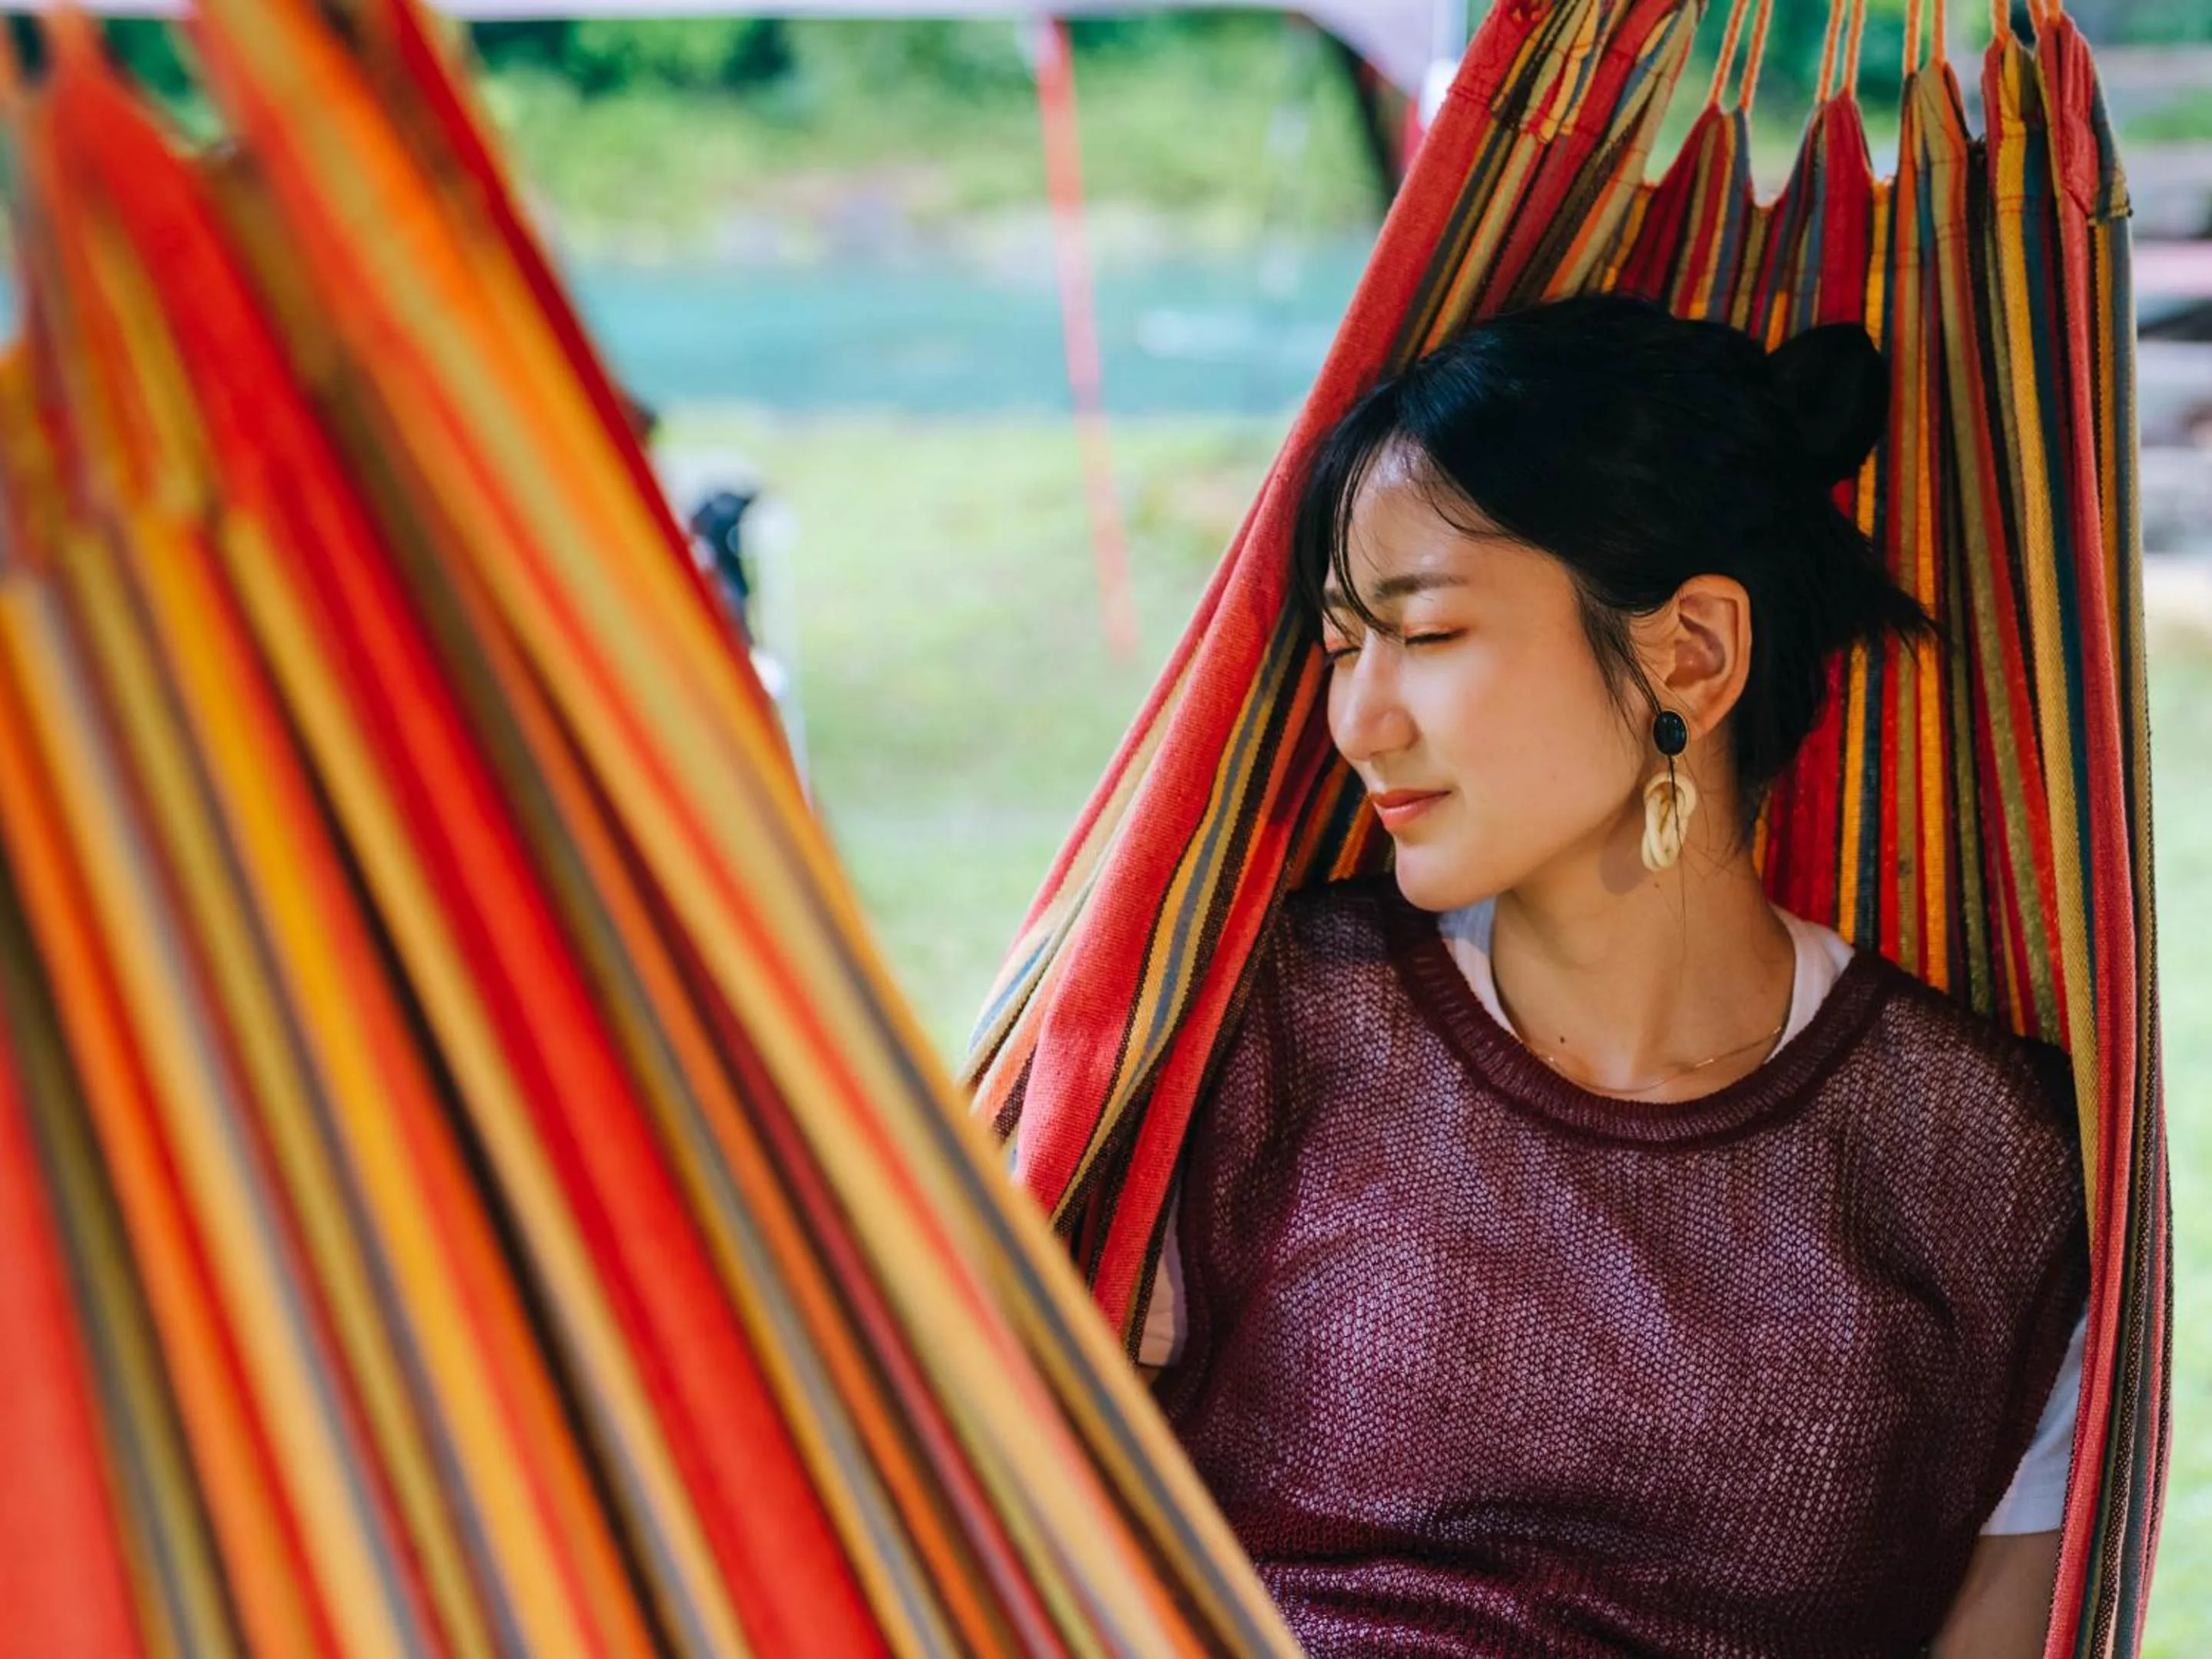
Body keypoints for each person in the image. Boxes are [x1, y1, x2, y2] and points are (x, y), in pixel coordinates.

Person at [1138, 296, 2088, 1657]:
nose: (1359, 718)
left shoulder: (1991, 1166)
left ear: (1688, 654)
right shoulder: (1265, 1028)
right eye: (1345, 646)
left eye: (1431, 634)